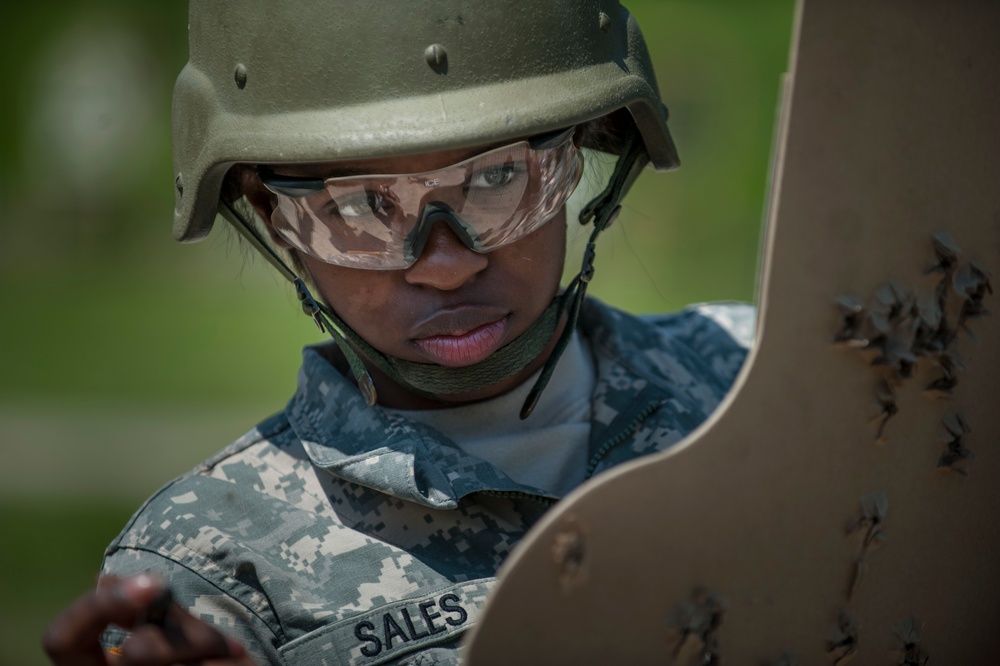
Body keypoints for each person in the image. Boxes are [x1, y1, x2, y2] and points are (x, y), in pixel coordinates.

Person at [43, 2, 753, 664]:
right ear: (270, 216)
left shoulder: (767, 376)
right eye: (357, 204)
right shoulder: (210, 568)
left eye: (500, 175)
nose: (445, 266)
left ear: (582, 153)